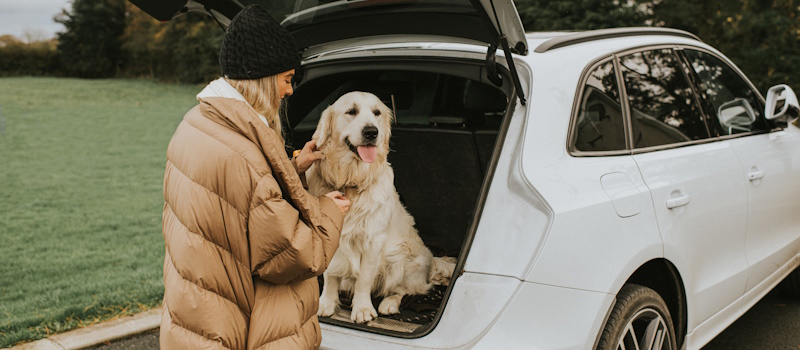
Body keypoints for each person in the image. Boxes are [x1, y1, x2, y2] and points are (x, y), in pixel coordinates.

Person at [159, 5, 350, 349]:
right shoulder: (247, 156)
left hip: (195, 314)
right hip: (233, 328)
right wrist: (329, 211)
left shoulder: (195, 124)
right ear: (262, 78)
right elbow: (293, 255)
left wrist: (293, 168)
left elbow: (233, 199)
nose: (290, 91)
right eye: (287, 79)